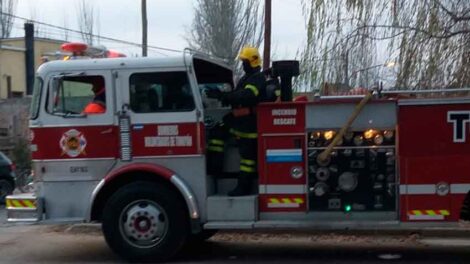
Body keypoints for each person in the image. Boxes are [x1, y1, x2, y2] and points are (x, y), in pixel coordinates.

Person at [207, 46, 266, 196]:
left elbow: (246, 96)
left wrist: (223, 96)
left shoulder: (257, 78)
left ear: (252, 61)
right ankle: (214, 168)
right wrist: (222, 95)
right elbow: (236, 95)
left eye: (244, 61)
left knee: (248, 160)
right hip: (238, 121)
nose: (243, 64)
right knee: (216, 132)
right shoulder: (246, 78)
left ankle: (243, 187)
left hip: (249, 126)